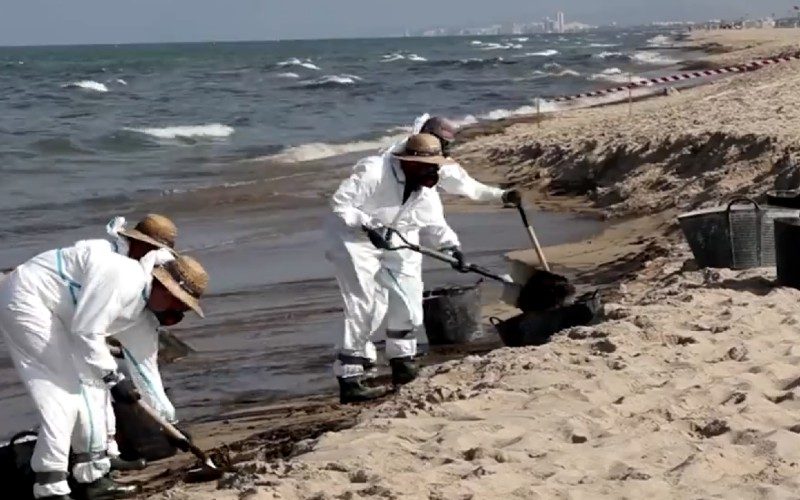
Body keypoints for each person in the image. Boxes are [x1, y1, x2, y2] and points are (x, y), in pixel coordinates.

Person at [0, 237, 208, 500]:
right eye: (178, 307)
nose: (175, 318)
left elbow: (147, 374)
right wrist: (113, 377)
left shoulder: (143, 319)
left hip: (67, 317)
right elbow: (88, 331)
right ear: (164, 289)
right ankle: (49, 486)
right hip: (27, 299)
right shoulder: (122, 278)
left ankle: (91, 476)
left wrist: (171, 424)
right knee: (62, 395)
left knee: (92, 390)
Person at [325, 133, 467, 404]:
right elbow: (339, 203)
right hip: (351, 238)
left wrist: (452, 248)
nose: (433, 171)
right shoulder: (373, 171)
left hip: (392, 234)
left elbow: (434, 221)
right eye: (428, 166)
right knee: (364, 304)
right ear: (409, 162)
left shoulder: (423, 186)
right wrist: (368, 224)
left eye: (435, 166)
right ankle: (350, 378)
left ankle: (403, 363)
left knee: (409, 298)